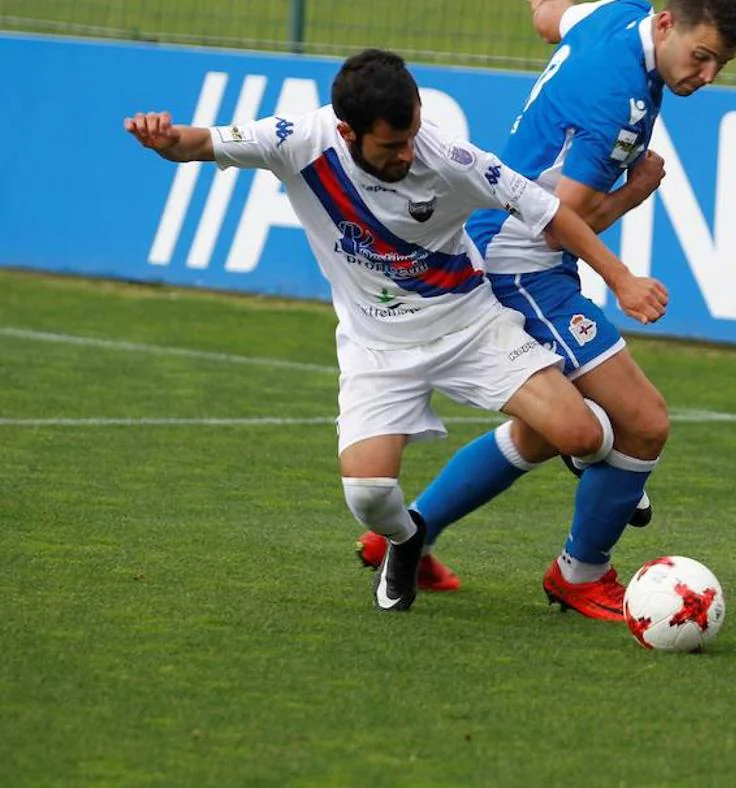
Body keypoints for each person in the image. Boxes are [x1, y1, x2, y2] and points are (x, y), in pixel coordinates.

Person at [124, 48, 668, 613]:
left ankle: (591, 488)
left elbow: (549, 213)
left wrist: (622, 278)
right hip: (376, 347)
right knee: (368, 494)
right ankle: (407, 540)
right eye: (391, 145)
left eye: (412, 134)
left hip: (471, 325)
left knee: (584, 435)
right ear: (347, 132)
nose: (408, 153)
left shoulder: (449, 157)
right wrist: (164, 140)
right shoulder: (295, 139)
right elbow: (199, 142)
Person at [358, 0, 736, 621]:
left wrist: (547, 1)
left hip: (503, 244)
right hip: (521, 260)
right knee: (643, 422)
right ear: (665, 26)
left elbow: (553, 18)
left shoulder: (618, 14)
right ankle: (580, 574)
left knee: (544, 433)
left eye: (719, 64)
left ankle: (401, 534)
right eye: (700, 56)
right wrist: (634, 197)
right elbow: (559, 219)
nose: (705, 75)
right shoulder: (617, 109)